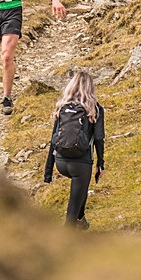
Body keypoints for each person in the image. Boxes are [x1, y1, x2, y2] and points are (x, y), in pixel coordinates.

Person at [44, 71, 105, 229]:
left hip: (60, 161)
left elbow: (53, 138)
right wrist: (100, 164)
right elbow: (98, 139)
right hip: (80, 163)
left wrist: (48, 172)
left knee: (81, 189)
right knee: (77, 195)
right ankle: (68, 235)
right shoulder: (95, 109)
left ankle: (81, 219)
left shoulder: (62, 107)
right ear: (90, 88)